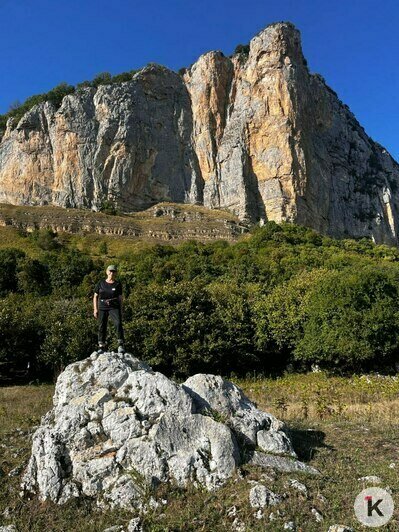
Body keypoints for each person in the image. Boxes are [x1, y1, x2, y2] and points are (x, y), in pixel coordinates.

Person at [93, 265, 125, 354]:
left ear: (116, 273)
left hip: (114, 306)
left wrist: (121, 310)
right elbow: (95, 296)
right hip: (102, 306)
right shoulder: (101, 283)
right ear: (107, 272)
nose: (112, 273)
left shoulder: (118, 284)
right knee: (102, 326)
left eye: (114, 271)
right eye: (110, 271)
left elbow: (120, 298)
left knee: (118, 323)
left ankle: (120, 344)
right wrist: (95, 309)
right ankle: (101, 346)